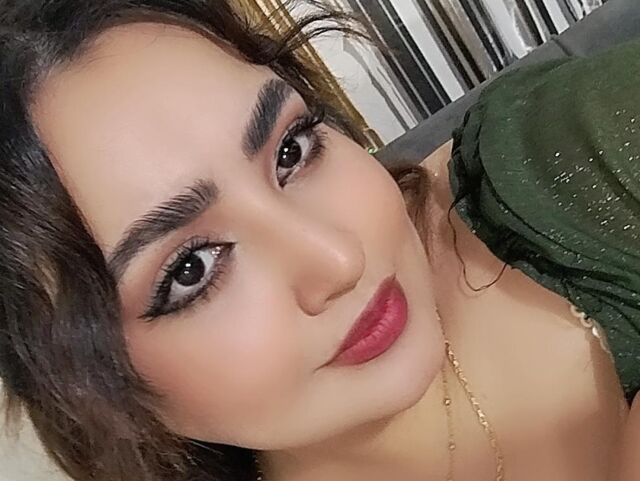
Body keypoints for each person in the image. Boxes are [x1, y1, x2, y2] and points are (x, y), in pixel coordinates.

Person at [0, 1, 638, 480]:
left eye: (292, 150)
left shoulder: (567, 159)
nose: (339, 259)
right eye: (191, 268)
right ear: (76, 389)